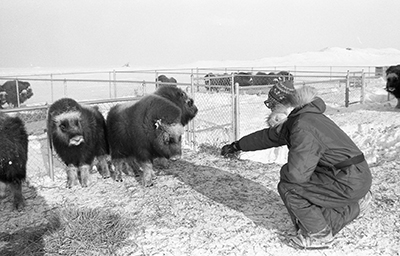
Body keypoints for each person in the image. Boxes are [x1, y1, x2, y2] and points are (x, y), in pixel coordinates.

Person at [221, 80, 372, 250]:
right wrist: (237, 145)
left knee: (290, 187)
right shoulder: (303, 117)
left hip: (347, 179)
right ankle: (355, 205)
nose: (270, 109)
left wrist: (285, 171)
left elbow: (296, 175)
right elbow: (267, 137)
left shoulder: (301, 126)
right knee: (307, 199)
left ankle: (320, 235)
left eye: (271, 104)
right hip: (351, 174)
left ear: (282, 104)